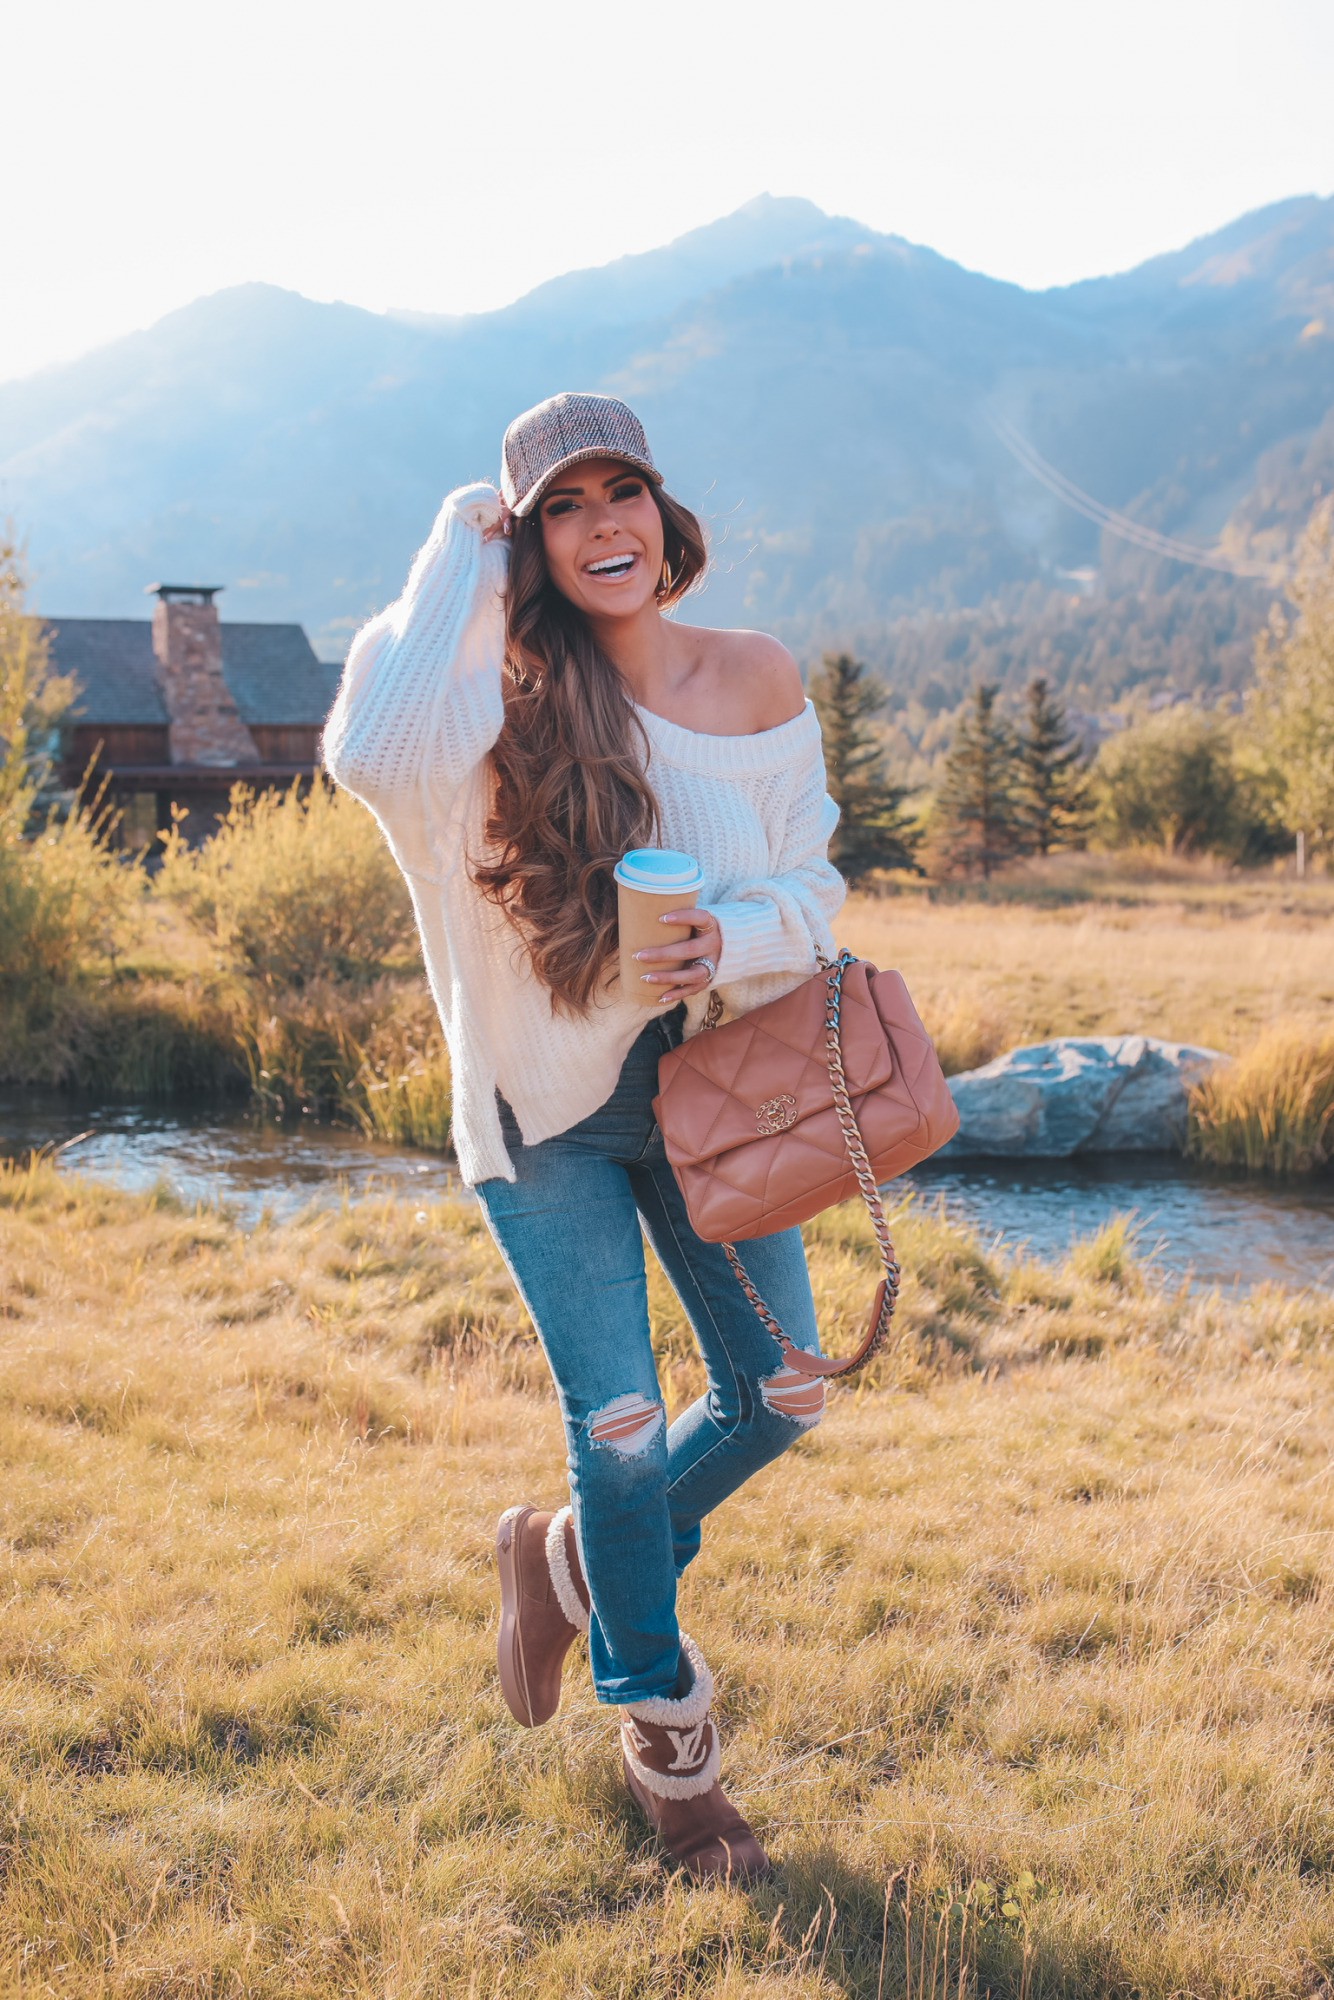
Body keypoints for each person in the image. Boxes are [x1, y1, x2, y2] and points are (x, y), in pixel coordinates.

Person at [324, 392, 844, 1883]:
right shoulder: (482, 698)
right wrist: (462, 540)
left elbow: (815, 879)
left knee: (784, 1391)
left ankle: (552, 1561)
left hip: (713, 1099)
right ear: (526, 541)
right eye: (560, 506)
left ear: (662, 515)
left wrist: (734, 930)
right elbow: (373, 745)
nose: (599, 524)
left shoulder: (752, 676)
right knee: (618, 1433)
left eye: (621, 494)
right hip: (544, 1110)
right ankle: (672, 1757)